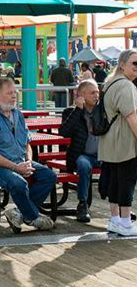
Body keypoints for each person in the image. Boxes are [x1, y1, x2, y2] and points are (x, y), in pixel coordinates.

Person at [0, 77, 57, 231]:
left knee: (49, 176)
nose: (14, 96)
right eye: (9, 93)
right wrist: (16, 167)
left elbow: (27, 143)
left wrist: (28, 162)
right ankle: (33, 217)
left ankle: (19, 212)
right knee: (19, 183)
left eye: (15, 92)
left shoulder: (18, 115)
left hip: (19, 162)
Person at [97, 49, 137, 236]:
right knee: (127, 179)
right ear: (122, 64)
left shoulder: (110, 83)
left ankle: (115, 219)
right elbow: (131, 117)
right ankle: (126, 222)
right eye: (134, 64)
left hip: (109, 140)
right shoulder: (126, 86)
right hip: (124, 140)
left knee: (114, 179)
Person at [58, 79, 100, 223]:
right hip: (83, 155)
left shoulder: (102, 111)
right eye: (92, 93)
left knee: (122, 163)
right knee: (83, 165)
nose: (96, 95)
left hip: (103, 155)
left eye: (98, 92)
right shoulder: (70, 112)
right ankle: (82, 204)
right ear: (81, 95)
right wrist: (78, 110)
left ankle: (120, 206)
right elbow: (64, 132)